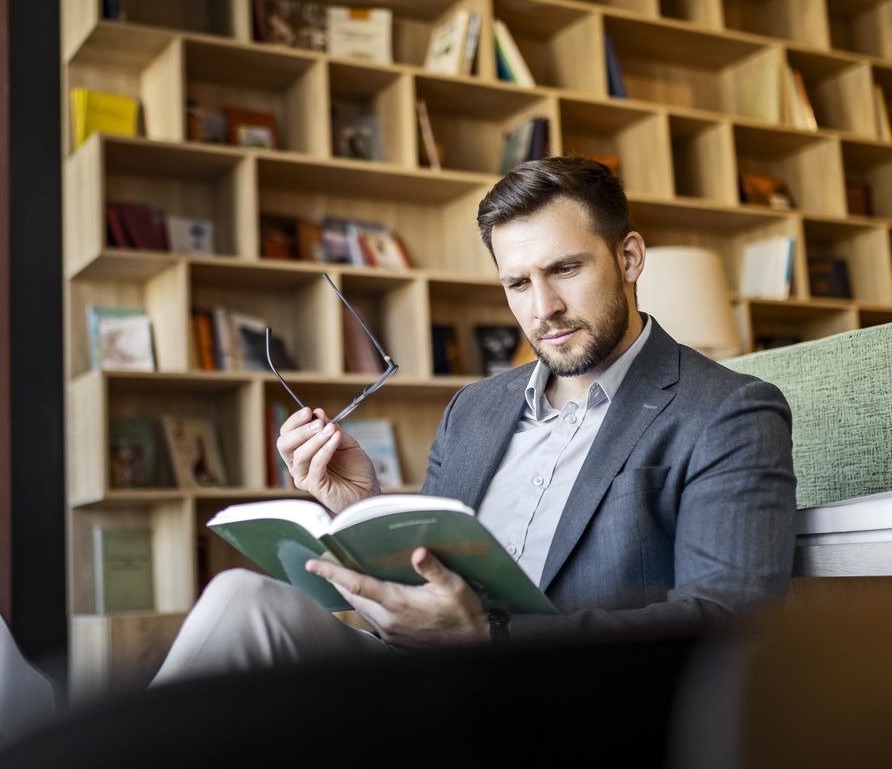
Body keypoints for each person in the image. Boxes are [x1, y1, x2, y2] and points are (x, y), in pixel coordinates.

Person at [152, 157, 796, 682]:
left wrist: (489, 637)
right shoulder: (476, 408)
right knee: (242, 601)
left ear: (628, 258)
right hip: (424, 677)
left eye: (566, 269)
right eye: (518, 284)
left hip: (562, 697)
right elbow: (426, 584)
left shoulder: (728, 410)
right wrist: (358, 507)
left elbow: (726, 619)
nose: (544, 308)